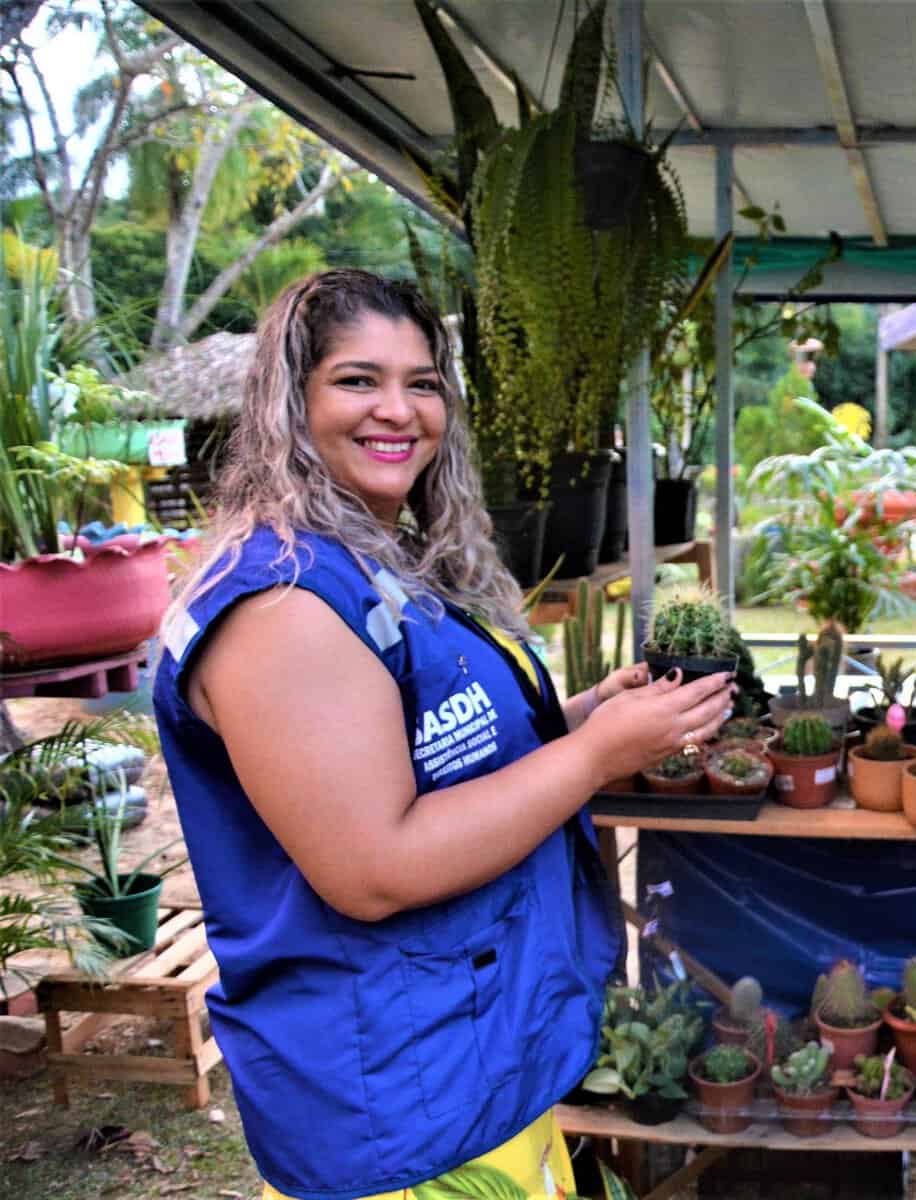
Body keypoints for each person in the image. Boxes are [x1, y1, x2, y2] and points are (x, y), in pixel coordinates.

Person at [152, 270, 734, 1200]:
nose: (398, 410)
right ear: (289, 400)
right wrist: (593, 757)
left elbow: (432, 754)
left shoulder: (377, 561)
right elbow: (372, 867)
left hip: (474, 1059)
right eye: (357, 380)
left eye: (422, 383)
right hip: (393, 1100)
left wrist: (590, 714)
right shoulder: (284, 605)